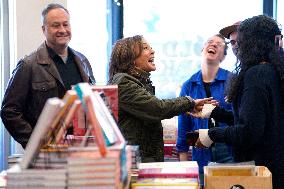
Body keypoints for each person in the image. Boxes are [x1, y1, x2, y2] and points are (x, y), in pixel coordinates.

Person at [196, 15, 284, 189]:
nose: (236, 46)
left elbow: (249, 131)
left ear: (250, 42)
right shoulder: (273, 70)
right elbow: (258, 119)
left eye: (239, 41)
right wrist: (214, 113)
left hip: (262, 172)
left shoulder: (256, 74)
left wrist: (211, 135)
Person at [0, 3, 95, 149]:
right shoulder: (28, 65)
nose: (62, 30)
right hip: (47, 154)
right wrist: (35, 143)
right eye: (56, 25)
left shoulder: (83, 61)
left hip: (82, 150)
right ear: (43, 29)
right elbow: (9, 111)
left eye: (66, 24)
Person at [107, 35, 214, 163]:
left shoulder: (137, 83)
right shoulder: (123, 82)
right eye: (145, 48)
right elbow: (157, 108)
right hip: (134, 163)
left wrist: (188, 105)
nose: (152, 51)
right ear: (129, 57)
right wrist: (188, 103)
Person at [176, 34, 233, 187]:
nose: (213, 45)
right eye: (209, 42)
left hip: (228, 150)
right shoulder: (189, 85)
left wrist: (218, 111)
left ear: (223, 56)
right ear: (202, 49)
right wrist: (183, 163)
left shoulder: (232, 80)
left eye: (219, 44)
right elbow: (184, 124)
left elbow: (240, 117)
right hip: (200, 151)